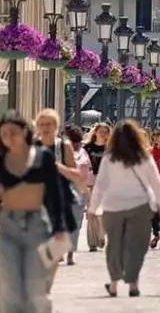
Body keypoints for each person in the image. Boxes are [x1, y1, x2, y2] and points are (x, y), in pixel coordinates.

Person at [0, 110, 73, 313]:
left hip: (36, 224)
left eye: (13, 132)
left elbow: (55, 193)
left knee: (36, 286)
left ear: (24, 131)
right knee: (9, 288)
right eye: (4, 134)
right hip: (6, 226)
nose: (9, 138)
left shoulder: (42, 156)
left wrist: (59, 227)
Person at [88, 119, 160, 298]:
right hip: (140, 206)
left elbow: (101, 184)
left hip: (112, 206)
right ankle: (133, 283)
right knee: (136, 246)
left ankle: (114, 284)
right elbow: (155, 181)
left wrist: (93, 206)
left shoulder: (109, 157)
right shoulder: (144, 156)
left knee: (114, 244)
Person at [34, 109, 81, 275]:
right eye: (41, 124)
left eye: (49, 124)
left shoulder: (63, 146)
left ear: (56, 126)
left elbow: (76, 174)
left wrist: (58, 167)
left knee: (55, 245)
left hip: (58, 200)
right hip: (36, 201)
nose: (45, 128)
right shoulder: (31, 146)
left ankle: (46, 282)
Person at [62, 123, 94, 266]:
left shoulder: (82, 152)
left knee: (74, 222)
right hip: (65, 188)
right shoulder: (59, 150)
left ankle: (69, 253)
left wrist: (88, 193)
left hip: (78, 189)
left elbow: (88, 172)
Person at [83, 122, 111, 252]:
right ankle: (92, 242)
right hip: (91, 181)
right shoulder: (87, 148)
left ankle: (101, 235)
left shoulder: (111, 148)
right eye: (101, 131)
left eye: (106, 132)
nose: (103, 134)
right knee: (92, 212)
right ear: (95, 132)